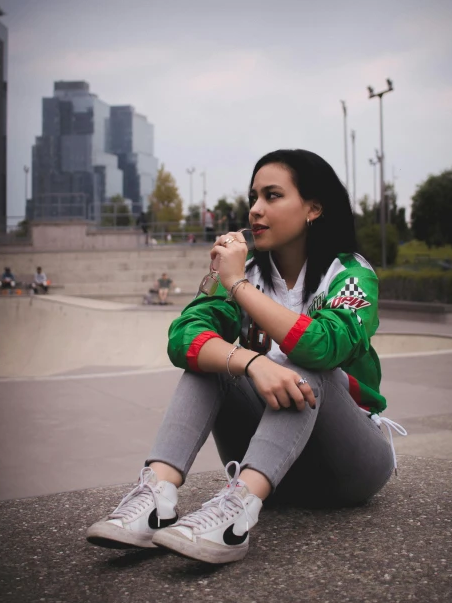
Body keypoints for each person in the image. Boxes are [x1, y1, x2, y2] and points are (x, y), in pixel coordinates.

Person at [86, 149, 405, 565]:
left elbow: (323, 346)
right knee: (213, 363)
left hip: (348, 466)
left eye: (272, 196)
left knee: (310, 365)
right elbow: (183, 338)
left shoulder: (349, 273)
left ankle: (236, 516)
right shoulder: (249, 272)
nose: (255, 209)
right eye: (253, 197)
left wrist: (235, 283)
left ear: (313, 208)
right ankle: (156, 499)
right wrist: (251, 362)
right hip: (272, 464)